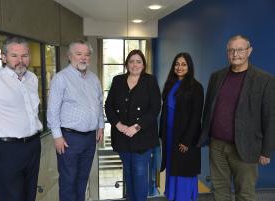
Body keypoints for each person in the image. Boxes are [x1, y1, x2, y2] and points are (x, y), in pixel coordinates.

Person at [197, 35, 275, 201]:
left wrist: (266, 150)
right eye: (231, 50)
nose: (235, 54)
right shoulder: (216, 76)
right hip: (217, 145)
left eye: (240, 50)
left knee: (245, 193)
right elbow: (208, 109)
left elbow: (270, 116)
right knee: (219, 191)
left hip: (246, 146)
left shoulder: (265, 80)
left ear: (249, 51)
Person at [0, 36, 42, 201]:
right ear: (4, 57)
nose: (20, 60)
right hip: (7, 149)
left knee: (30, 195)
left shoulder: (32, 79)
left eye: (25, 55)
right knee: (12, 197)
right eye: (14, 56)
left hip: (33, 145)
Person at [47, 40, 104, 201]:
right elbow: (52, 111)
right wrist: (57, 136)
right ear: (69, 56)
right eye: (79, 54)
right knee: (68, 181)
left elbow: (99, 104)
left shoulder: (94, 78)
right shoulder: (61, 78)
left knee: (82, 179)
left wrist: (100, 126)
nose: (83, 58)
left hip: (90, 138)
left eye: (87, 54)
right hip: (68, 139)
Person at [105, 49, 161, 201]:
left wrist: (137, 126)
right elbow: (108, 105)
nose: (135, 64)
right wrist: (119, 125)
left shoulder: (150, 80)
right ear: (127, 64)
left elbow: (155, 107)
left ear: (143, 65)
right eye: (131, 61)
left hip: (142, 137)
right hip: (122, 137)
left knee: (140, 174)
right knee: (128, 174)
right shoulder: (118, 80)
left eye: (138, 61)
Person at [159, 52, 204, 201]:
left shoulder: (196, 87)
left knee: (184, 171)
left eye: (184, 64)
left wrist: (186, 140)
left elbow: (196, 116)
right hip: (171, 135)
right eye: (177, 64)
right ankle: (173, 197)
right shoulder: (170, 84)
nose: (179, 67)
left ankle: (183, 198)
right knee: (173, 168)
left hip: (185, 138)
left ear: (189, 66)